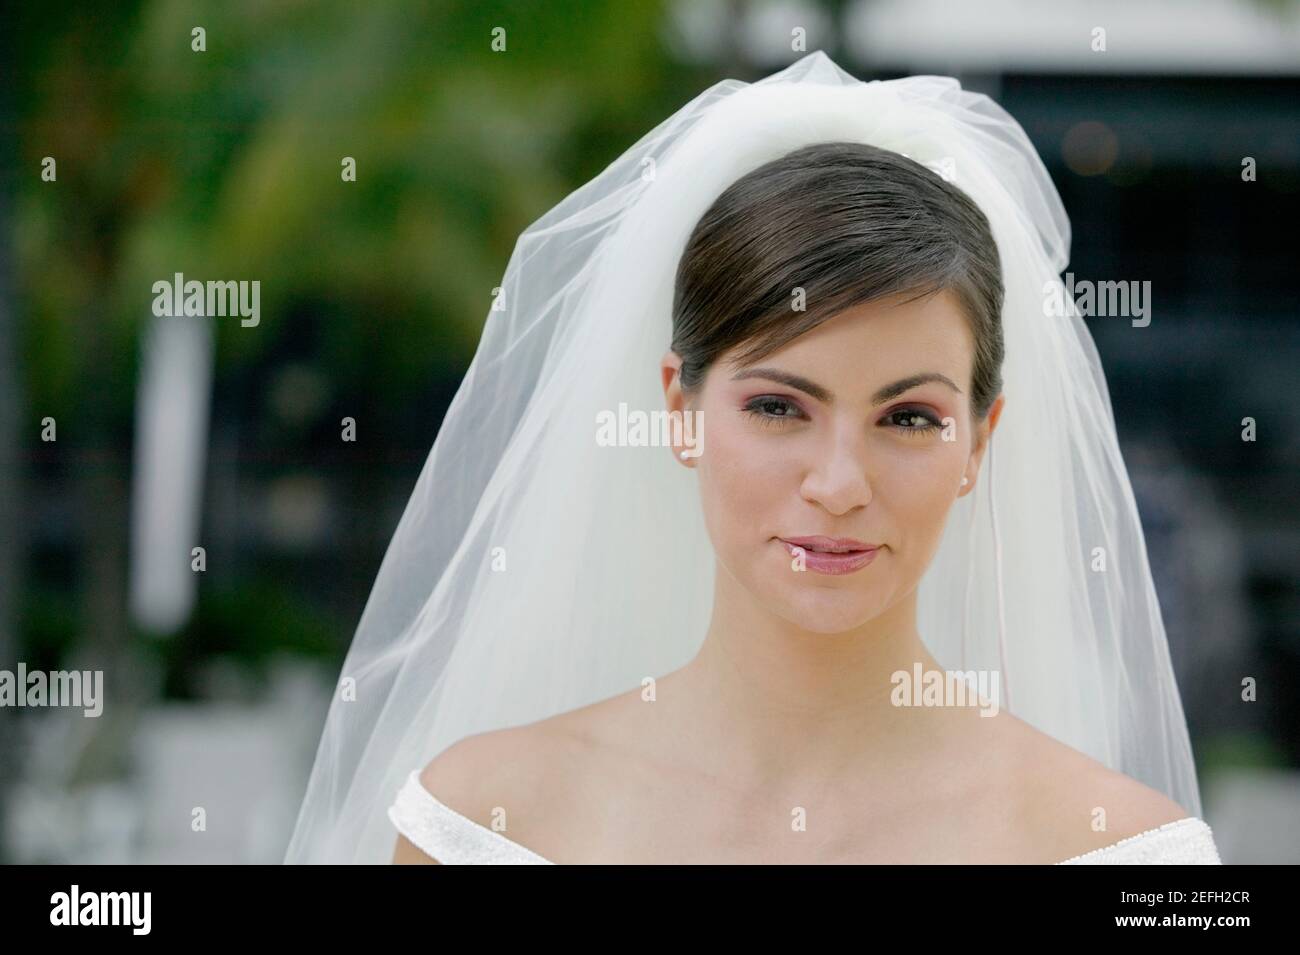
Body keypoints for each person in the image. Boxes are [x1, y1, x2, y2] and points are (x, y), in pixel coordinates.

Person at [285, 51, 1220, 865]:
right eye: (779, 406)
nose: (840, 484)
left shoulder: (1119, 848)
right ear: (679, 407)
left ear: (980, 438)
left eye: (908, 418)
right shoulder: (485, 819)